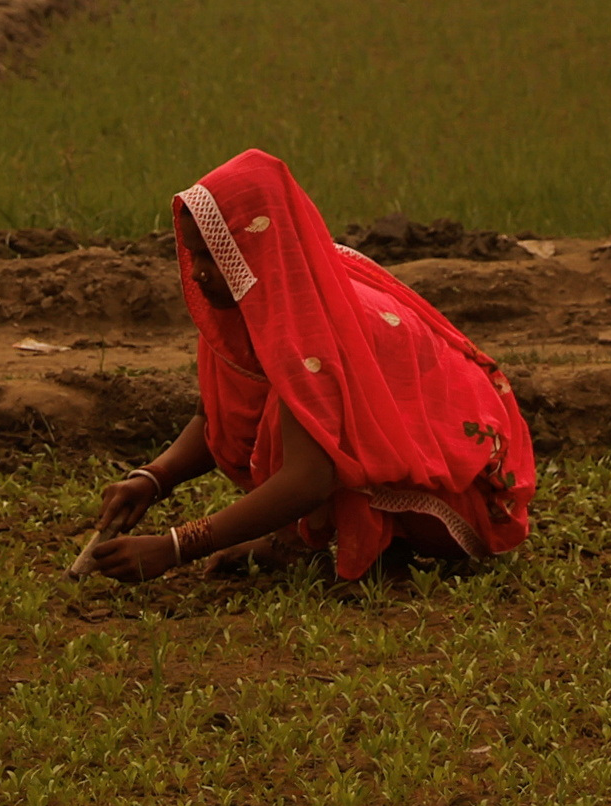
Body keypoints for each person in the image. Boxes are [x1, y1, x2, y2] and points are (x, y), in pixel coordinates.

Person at [77, 148, 538, 584]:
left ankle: (385, 546)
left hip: (463, 493)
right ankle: (299, 540)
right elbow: (214, 416)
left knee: (303, 416)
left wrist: (176, 546)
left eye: (212, 257)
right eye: (194, 254)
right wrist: (153, 478)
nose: (197, 272)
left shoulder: (307, 327)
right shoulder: (252, 300)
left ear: (253, 247)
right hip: (411, 460)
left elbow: (308, 480)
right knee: (289, 413)